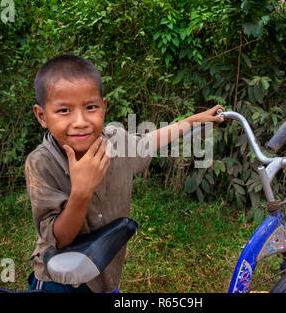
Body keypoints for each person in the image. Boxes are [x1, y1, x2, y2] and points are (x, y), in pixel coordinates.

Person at [25, 54, 224, 293]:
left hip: (106, 271)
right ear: (42, 116)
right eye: (64, 110)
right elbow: (60, 240)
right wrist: (81, 192)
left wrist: (193, 121)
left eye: (90, 107)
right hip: (62, 281)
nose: (80, 121)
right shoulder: (41, 164)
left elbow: (149, 141)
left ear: (103, 107)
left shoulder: (117, 143)